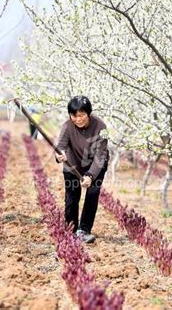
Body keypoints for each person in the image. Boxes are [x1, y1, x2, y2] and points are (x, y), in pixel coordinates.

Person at [55, 96, 109, 243]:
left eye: (81, 115)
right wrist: (60, 154)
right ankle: (71, 230)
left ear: (88, 114)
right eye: (74, 116)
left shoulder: (100, 127)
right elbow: (60, 146)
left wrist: (90, 176)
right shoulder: (67, 126)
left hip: (95, 165)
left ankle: (84, 230)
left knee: (92, 194)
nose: (78, 119)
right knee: (71, 197)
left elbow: (100, 154)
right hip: (72, 164)